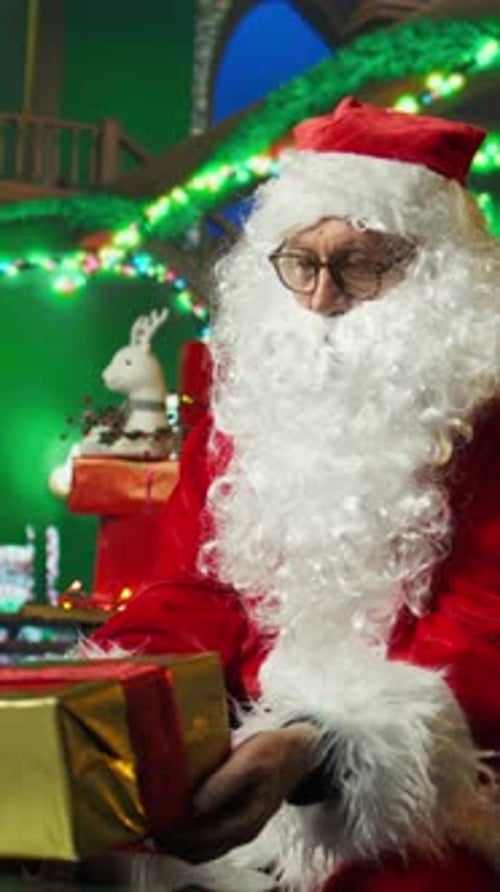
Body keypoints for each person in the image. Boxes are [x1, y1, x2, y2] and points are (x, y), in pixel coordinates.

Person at [89, 96, 500, 891]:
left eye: (361, 262)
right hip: (250, 751)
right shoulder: (242, 419)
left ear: (435, 270)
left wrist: (321, 745)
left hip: (450, 781)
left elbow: (483, 637)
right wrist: (115, 687)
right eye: (302, 262)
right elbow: (200, 589)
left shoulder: (489, 421)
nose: (320, 296)